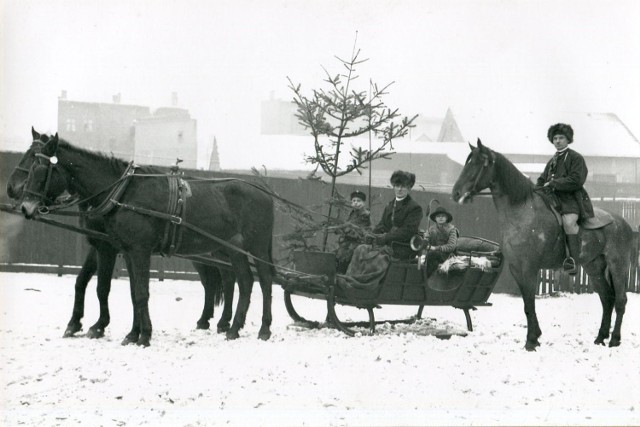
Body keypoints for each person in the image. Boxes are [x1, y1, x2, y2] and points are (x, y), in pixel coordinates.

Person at [536, 123, 594, 275]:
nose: (557, 141)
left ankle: (572, 261)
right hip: (551, 200)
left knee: (568, 223)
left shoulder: (576, 158)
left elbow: (576, 180)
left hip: (571, 200)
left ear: (568, 139)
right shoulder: (553, 160)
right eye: (555, 138)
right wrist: (536, 189)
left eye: (561, 138)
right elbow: (542, 179)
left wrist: (554, 183)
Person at [370, 170, 423, 260]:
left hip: (402, 247)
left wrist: (386, 237)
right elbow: (382, 224)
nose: (399, 189)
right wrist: (372, 235)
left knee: (378, 258)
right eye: (397, 186)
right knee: (361, 249)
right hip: (387, 243)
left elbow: (407, 231)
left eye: (403, 186)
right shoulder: (389, 206)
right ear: (393, 187)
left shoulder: (414, 208)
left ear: (409, 188)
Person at [335, 190, 371, 273]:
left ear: (364, 203)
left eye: (359, 201)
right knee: (337, 254)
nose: (356, 203)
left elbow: (358, 230)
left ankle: (342, 275)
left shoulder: (365, 215)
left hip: (359, 241)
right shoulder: (353, 213)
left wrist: (344, 230)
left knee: (345, 256)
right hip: (349, 240)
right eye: (354, 201)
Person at [423, 206, 459, 277]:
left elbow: (451, 246)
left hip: (448, 256)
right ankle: (430, 280)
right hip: (433, 256)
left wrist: (435, 248)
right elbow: (426, 245)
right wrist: (425, 239)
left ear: (446, 218)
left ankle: (427, 278)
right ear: (435, 218)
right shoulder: (431, 229)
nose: (441, 218)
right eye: (438, 216)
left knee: (432, 255)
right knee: (431, 259)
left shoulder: (452, 229)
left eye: (443, 216)